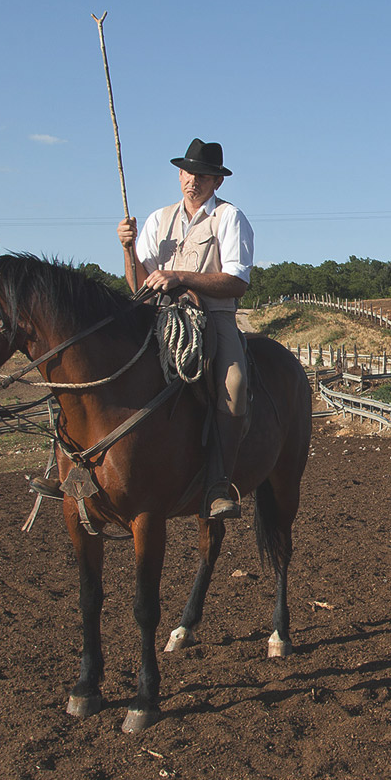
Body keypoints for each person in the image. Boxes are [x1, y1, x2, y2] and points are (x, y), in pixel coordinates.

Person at [117, 138, 255, 520]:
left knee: (234, 385)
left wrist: (180, 276)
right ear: (179, 174)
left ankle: (219, 484)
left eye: (203, 175)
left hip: (213, 317)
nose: (193, 181)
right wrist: (127, 250)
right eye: (188, 173)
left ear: (217, 182)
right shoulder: (157, 219)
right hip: (159, 316)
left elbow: (236, 281)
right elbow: (138, 285)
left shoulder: (229, 218)